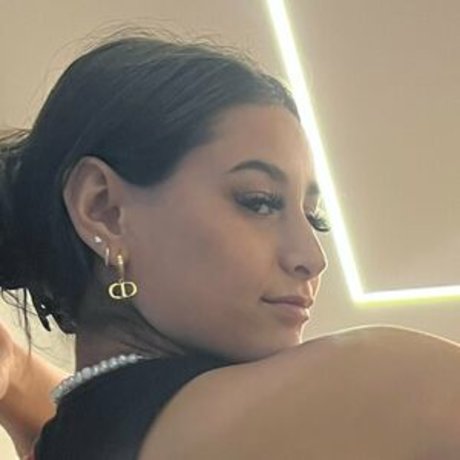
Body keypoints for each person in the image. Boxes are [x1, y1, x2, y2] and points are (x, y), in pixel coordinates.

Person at [0, 26, 459, 459]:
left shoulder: (78, 434)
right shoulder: (386, 379)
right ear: (104, 209)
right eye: (259, 201)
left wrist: (19, 371)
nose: (311, 258)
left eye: (313, 218)